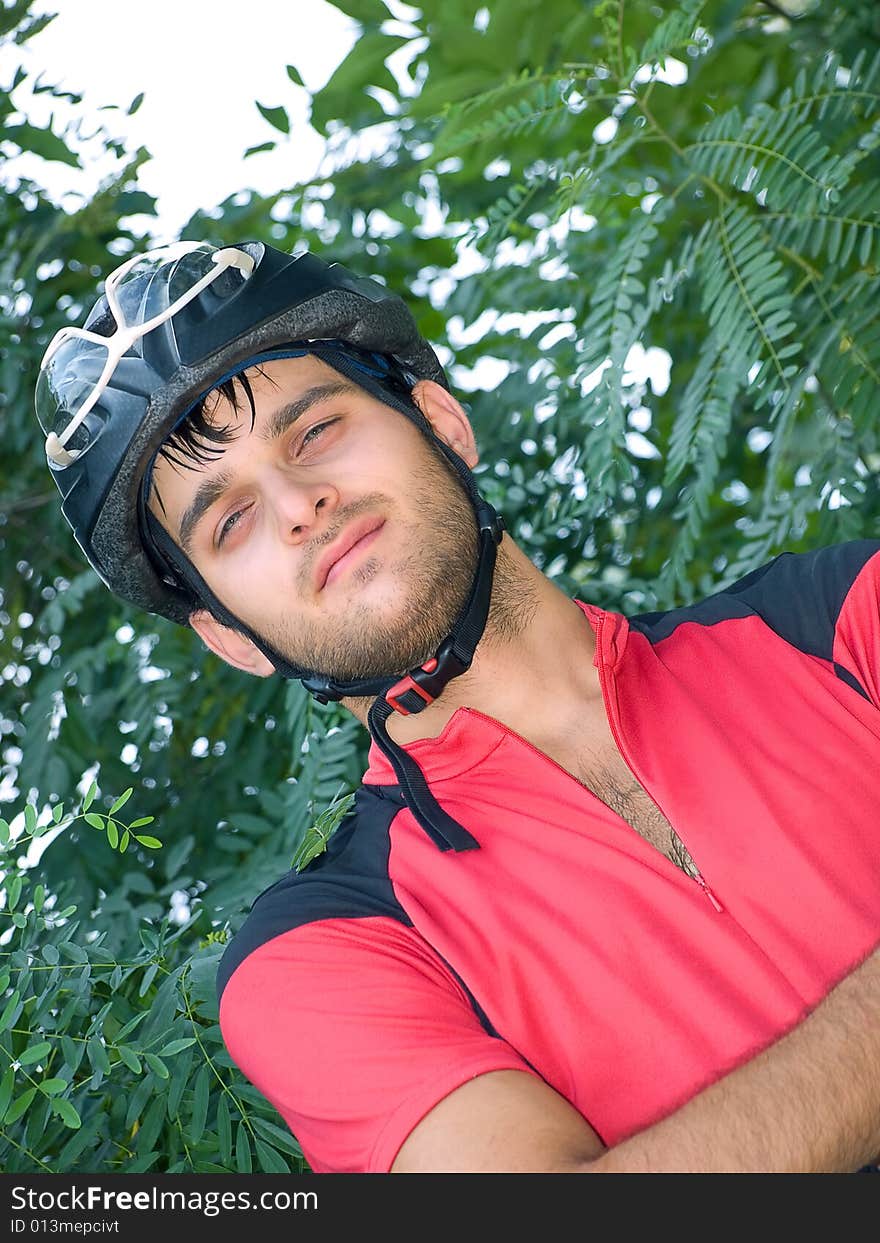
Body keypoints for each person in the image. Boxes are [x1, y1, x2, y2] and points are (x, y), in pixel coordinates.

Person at [37, 240, 880, 1174]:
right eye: (230, 520)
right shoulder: (323, 957)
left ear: (440, 422)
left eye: (313, 432)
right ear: (229, 636)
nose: (298, 506)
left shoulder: (846, 619)